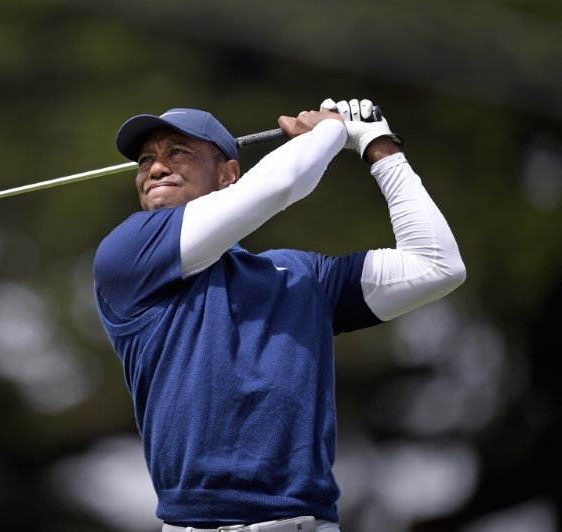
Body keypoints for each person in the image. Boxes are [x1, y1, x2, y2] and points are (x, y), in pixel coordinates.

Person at [92, 99, 466, 532]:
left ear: (229, 174)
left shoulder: (300, 274)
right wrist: (332, 130)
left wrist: (378, 146)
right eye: (145, 160)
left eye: (178, 152)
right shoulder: (126, 256)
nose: (155, 169)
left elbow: (436, 265)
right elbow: (283, 182)